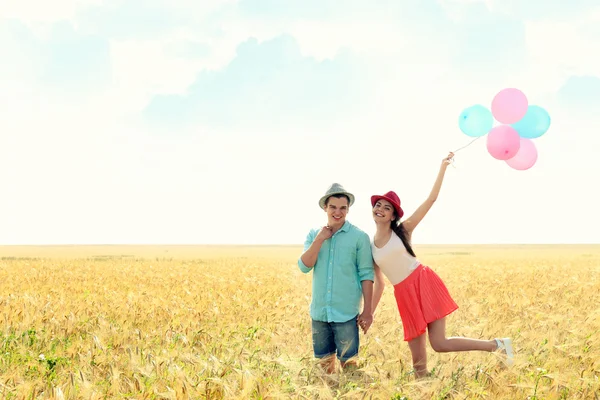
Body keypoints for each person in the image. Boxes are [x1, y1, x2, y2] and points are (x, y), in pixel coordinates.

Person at [361, 152, 514, 378]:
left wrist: (442, 167)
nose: (380, 209)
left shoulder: (402, 231)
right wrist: (370, 313)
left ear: (393, 216)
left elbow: (430, 200)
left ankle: (497, 345)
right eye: (378, 205)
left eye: (387, 208)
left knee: (439, 343)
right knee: (418, 363)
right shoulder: (370, 246)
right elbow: (380, 284)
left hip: (422, 281)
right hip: (403, 293)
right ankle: (424, 390)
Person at [298, 183, 375, 374]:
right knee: (324, 369)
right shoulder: (314, 234)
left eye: (343, 208)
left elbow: (367, 274)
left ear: (348, 209)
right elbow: (304, 266)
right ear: (325, 207)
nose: (338, 212)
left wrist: (367, 311)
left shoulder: (359, 237)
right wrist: (320, 239)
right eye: (333, 207)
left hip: (346, 314)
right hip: (320, 313)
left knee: (350, 368)